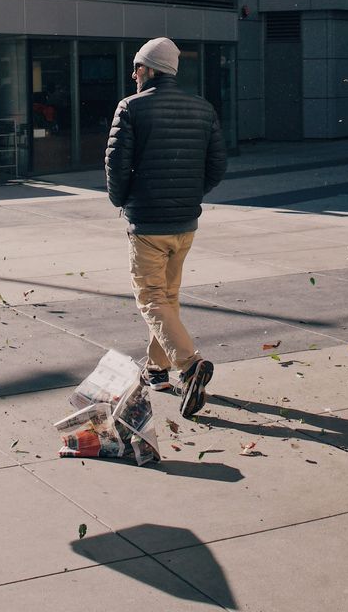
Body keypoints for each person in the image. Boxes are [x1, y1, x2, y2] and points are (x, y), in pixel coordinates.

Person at [105, 37, 228, 419]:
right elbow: (217, 166)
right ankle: (157, 370)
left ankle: (190, 365)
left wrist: (123, 201)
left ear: (148, 69)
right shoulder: (203, 109)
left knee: (150, 298)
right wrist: (189, 194)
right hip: (185, 223)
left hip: (148, 223)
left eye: (136, 67)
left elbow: (116, 165)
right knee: (167, 298)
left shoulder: (131, 107)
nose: (133, 75)